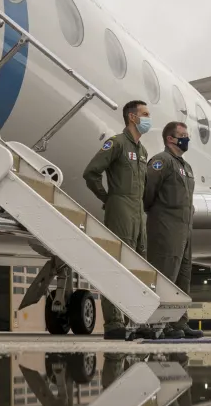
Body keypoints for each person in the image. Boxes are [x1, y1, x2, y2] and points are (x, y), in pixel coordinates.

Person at [83, 99, 155, 340]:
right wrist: (108, 197)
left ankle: (137, 319)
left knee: (138, 268)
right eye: (145, 114)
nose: (148, 118)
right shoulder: (116, 144)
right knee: (117, 265)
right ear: (132, 117)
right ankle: (114, 322)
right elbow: (91, 173)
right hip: (120, 208)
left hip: (138, 212)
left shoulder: (143, 151)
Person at [143, 121, 202, 339]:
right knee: (165, 275)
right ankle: (159, 323)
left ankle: (179, 322)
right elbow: (147, 192)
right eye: (183, 135)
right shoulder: (161, 161)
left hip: (184, 229)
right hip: (165, 226)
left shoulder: (185, 167)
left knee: (183, 277)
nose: (187, 139)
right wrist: (159, 213)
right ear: (170, 138)